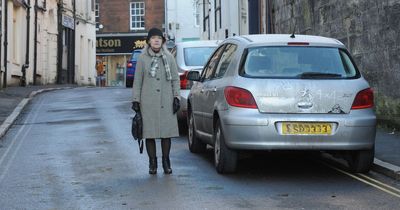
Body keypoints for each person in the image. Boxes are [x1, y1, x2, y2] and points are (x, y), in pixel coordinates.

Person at [131, 28, 180, 175]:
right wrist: (136, 100)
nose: (156, 40)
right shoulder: (142, 58)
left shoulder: (169, 57)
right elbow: (137, 81)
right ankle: (152, 163)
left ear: (163, 41)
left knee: (166, 133)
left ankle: (166, 161)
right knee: (149, 134)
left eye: (159, 38)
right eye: (153, 38)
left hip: (166, 100)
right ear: (148, 41)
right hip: (148, 102)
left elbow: (176, 79)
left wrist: (176, 97)